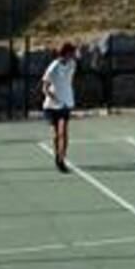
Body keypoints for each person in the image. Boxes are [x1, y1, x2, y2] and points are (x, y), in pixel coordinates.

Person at [39, 42, 77, 174]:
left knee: (63, 132)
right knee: (56, 134)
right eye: (71, 53)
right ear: (66, 53)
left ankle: (62, 159)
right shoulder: (53, 67)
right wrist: (53, 97)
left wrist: (66, 98)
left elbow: (67, 82)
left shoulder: (72, 64)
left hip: (65, 104)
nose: (73, 55)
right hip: (52, 105)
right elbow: (44, 88)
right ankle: (57, 155)